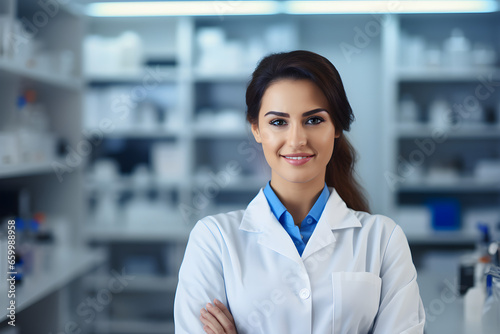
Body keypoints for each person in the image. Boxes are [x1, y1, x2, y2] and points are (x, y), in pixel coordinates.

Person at [174, 50, 425, 334]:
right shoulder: (213, 240)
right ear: (256, 129)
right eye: (278, 122)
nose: (297, 140)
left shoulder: (383, 239)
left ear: (337, 127)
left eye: (314, 120)